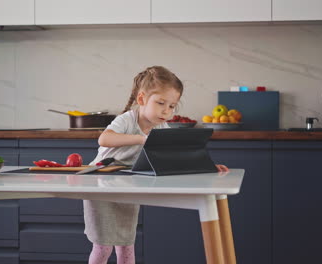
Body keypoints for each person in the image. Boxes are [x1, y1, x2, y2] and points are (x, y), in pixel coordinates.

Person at [83, 65, 229, 264]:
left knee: (126, 243)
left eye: (171, 106)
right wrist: (141, 139)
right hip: (100, 187)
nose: (166, 111)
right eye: (161, 103)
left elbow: (175, 154)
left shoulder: (161, 127)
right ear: (142, 99)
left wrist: (209, 166)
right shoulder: (127, 119)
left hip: (126, 189)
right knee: (103, 246)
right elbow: (104, 139)